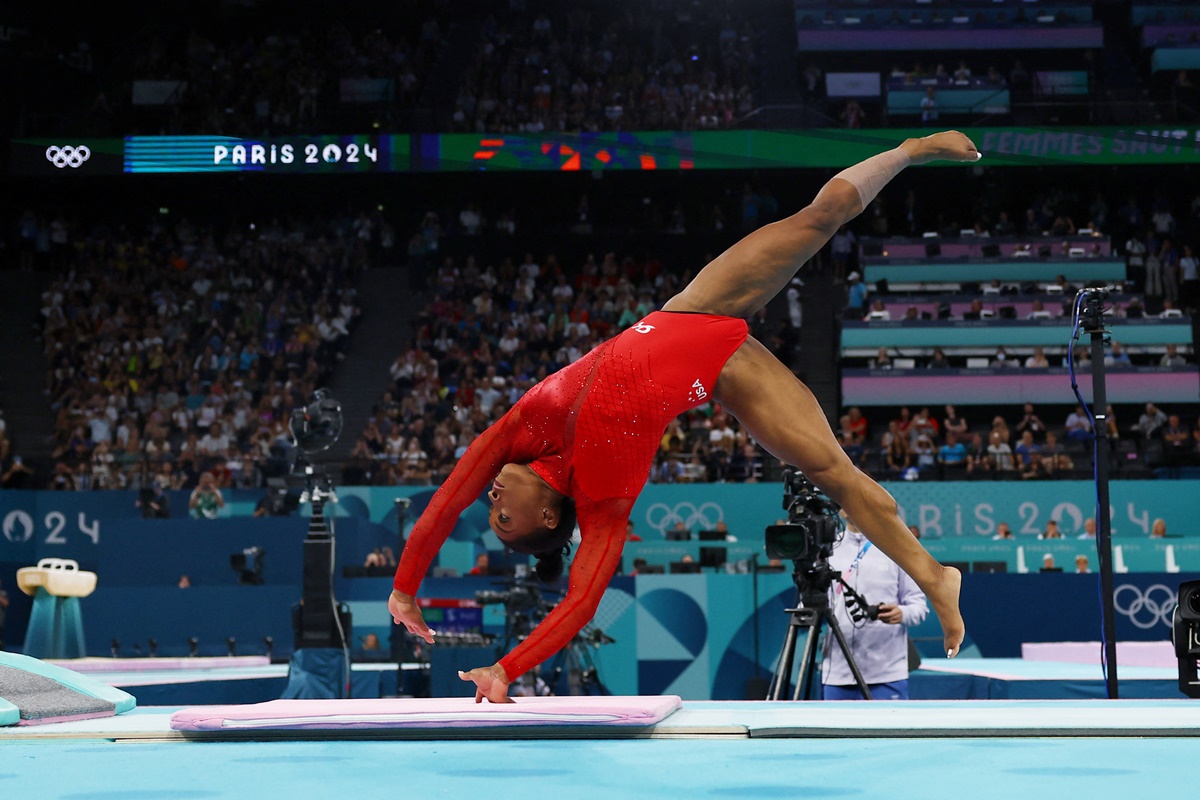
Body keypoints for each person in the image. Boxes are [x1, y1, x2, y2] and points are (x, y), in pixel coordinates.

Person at [389, 131, 978, 703]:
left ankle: (907, 151)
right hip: (725, 375)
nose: (490, 501)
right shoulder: (603, 504)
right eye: (503, 519)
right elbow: (580, 602)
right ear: (546, 514)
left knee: (816, 219)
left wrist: (405, 588)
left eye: (490, 510)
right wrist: (506, 668)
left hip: (692, 310)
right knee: (837, 476)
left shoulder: (516, 435)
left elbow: (445, 500)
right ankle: (934, 575)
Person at [821, 514, 928, 701]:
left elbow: (919, 606)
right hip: (837, 673)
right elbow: (810, 605)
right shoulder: (828, 549)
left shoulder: (897, 548)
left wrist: (902, 613)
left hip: (887, 673)